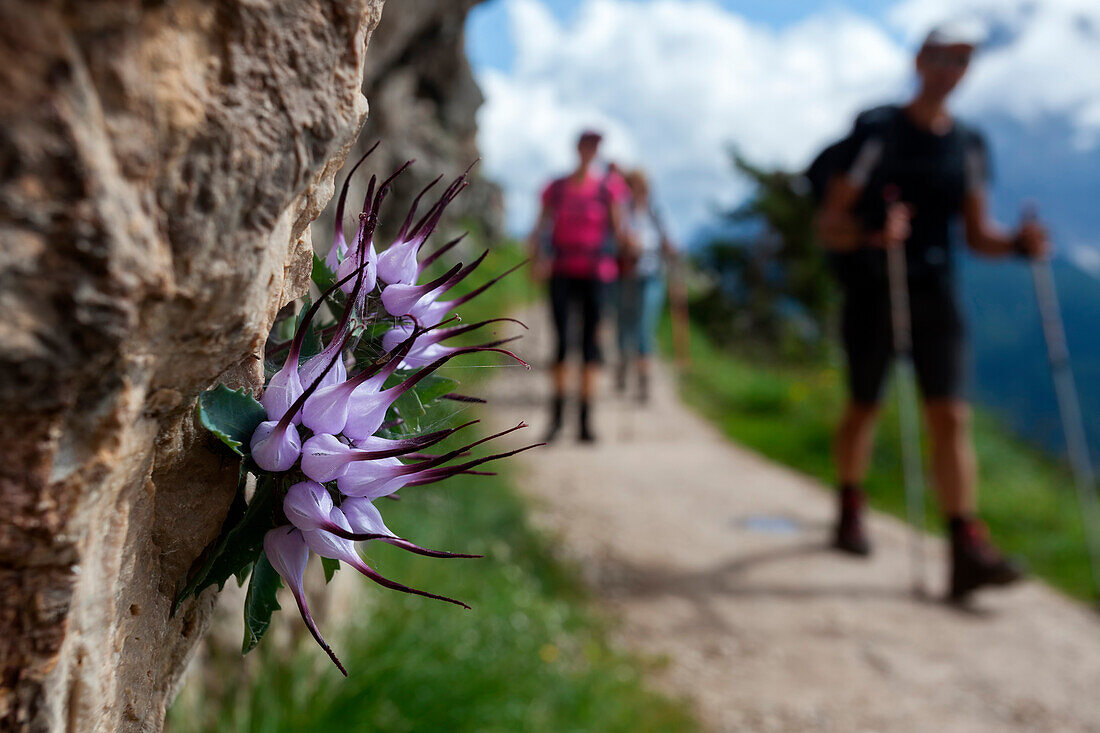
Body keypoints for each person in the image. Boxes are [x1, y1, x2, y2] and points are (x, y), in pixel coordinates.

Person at [813, 22, 1048, 600]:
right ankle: (849, 505)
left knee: (951, 415)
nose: (950, 69)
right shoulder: (877, 131)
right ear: (919, 60)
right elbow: (829, 223)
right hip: (875, 283)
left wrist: (1018, 245)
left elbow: (976, 233)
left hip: (936, 285)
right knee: (864, 404)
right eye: (941, 56)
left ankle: (965, 544)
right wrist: (872, 230)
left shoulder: (967, 144)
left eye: (962, 60)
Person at [527, 130, 630, 442]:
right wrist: (537, 259)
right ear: (578, 148)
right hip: (562, 270)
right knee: (561, 343)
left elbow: (619, 231)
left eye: (594, 146)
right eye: (586, 144)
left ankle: (584, 421)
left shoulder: (609, 189)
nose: (590, 150)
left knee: (590, 346)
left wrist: (630, 251)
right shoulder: (556, 188)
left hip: (597, 273)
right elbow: (539, 228)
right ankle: (558, 418)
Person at [615, 169, 676, 403]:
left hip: (651, 277)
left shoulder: (657, 213)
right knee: (623, 324)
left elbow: (671, 242)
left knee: (643, 326)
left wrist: (669, 249)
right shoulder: (620, 212)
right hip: (624, 276)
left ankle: (643, 381)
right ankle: (622, 362)